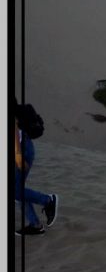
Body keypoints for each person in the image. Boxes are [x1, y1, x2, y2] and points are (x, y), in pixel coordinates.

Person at [13, 101, 59, 236]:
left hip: (20, 149)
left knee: (15, 191)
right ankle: (35, 225)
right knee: (17, 190)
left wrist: (17, 154)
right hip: (21, 148)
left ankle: (48, 201)